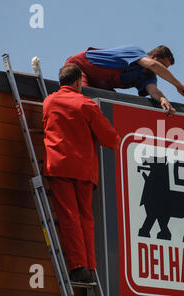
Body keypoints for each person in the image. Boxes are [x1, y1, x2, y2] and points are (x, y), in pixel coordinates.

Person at [42, 64, 121, 283]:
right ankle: (89, 266)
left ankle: (78, 266)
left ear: (61, 83)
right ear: (78, 83)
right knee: (85, 217)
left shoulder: (49, 102)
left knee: (68, 215)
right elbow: (109, 138)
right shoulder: (86, 104)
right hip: (84, 170)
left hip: (58, 166)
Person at [64, 45, 184, 116]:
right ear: (153, 57)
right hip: (80, 67)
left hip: (99, 84)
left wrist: (163, 100)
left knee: (111, 108)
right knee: (83, 103)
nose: (162, 71)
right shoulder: (136, 52)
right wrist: (178, 85)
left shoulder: (148, 76)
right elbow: (153, 65)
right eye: (163, 66)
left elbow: (153, 90)